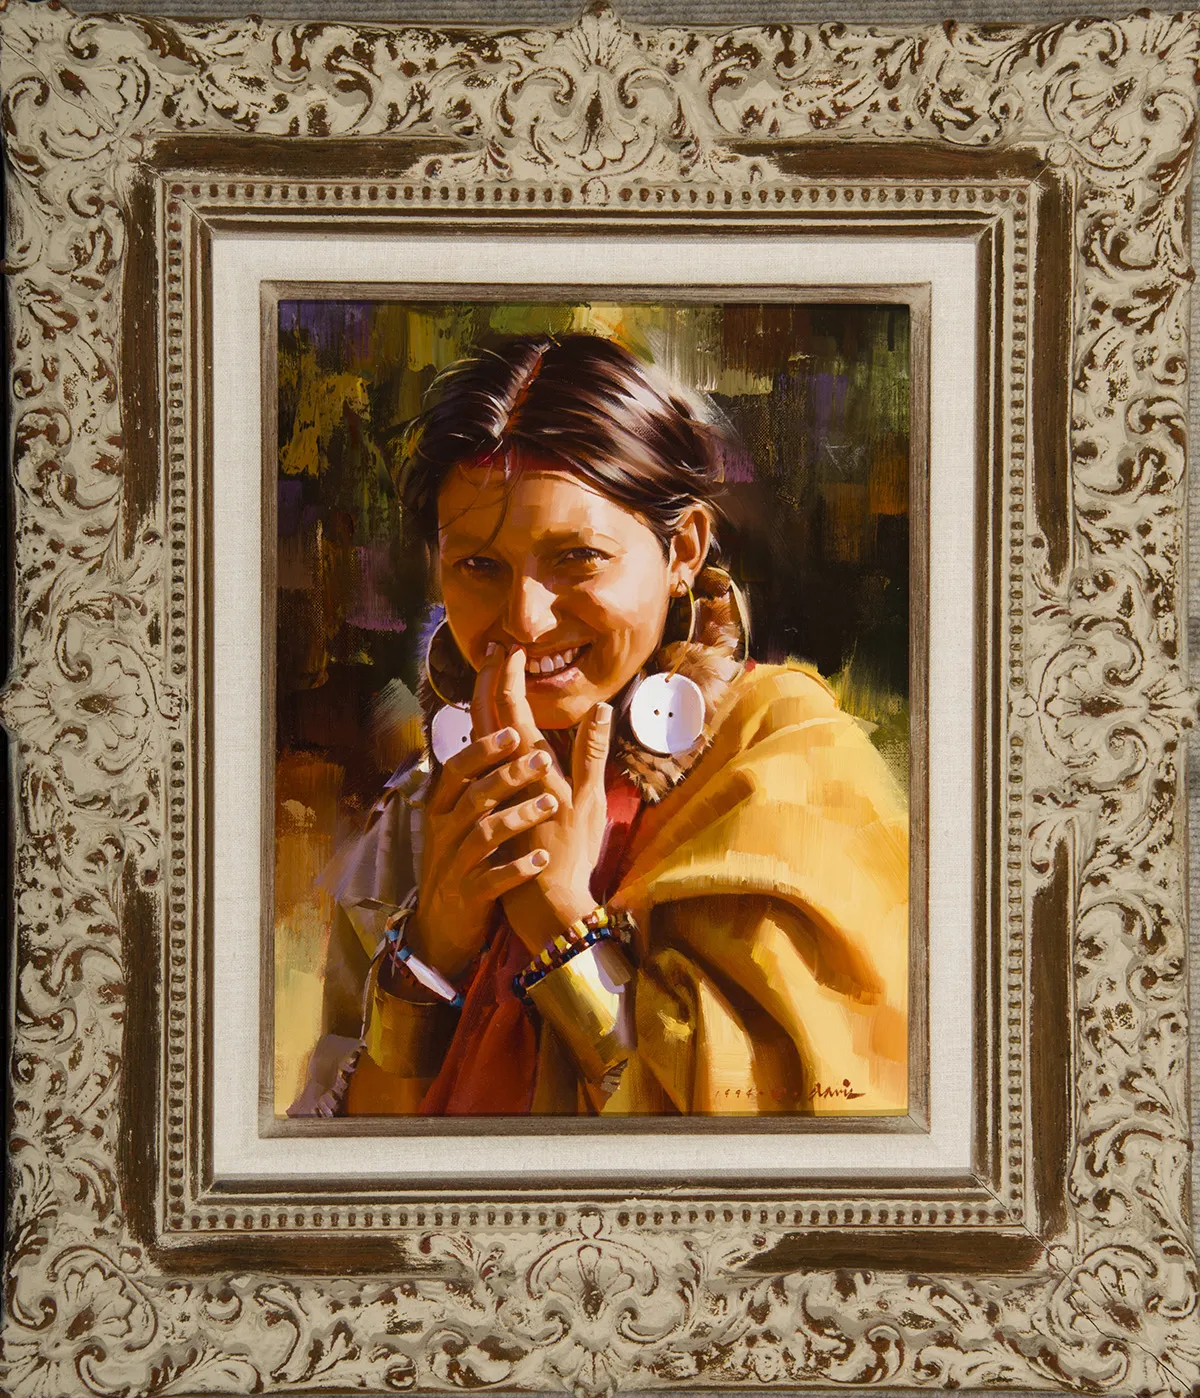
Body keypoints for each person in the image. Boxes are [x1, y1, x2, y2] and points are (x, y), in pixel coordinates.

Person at [289, 333, 909, 1117]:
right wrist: (433, 951)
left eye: (577, 557)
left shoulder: (794, 767)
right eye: (479, 566)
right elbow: (344, 1162)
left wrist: (557, 915)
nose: (525, 618)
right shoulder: (424, 817)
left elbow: (811, 1134)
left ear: (683, 550)